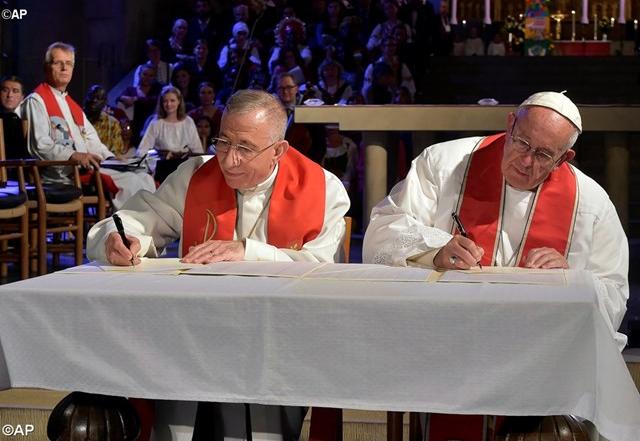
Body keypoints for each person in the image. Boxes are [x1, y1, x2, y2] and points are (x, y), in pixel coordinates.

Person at [86, 89, 350, 441]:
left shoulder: (323, 189)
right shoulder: (197, 175)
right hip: (194, 331)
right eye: (223, 142)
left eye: (244, 148)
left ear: (278, 151)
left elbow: (322, 268)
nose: (228, 160)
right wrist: (118, 240)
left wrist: (248, 252)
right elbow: (137, 219)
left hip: (277, 337)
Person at [362, 91, 629, 440]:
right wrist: (435, 251)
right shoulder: (444, 164)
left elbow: (614, 294)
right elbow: (381, 232)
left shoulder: (591, 203)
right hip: (447, 343)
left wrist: (573, 279)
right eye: (521, 143)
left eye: (544, 154)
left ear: (566, 157)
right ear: (509, 124)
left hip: (541, 355)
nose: (526, 161)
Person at [21, 42, 156, 209]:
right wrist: (75, 155)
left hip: (82, 168)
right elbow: (40, 145)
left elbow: (93, 142)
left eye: (69, 63)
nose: (64, 68)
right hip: (62, 173)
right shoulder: (36, 101)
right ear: (46, 67)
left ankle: (145, 229)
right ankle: (126, 230)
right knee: (131, 181)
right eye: (58, 63)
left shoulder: (72, 105)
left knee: (144, 176)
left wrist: (111, 158)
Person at [137, 85, 202, 183]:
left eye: (172, 100)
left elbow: (197, 150)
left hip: (184, 167)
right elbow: (142, 151)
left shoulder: (188, 122)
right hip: (163, 168)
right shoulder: (156, 123)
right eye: (165, 101)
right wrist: (155, 164)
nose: (168, 104)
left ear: (179, 101)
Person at [84, 85, 128, 157]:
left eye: (99, 98)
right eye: (91, 96)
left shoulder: (113, 123)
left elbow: (116, 152)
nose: (94, 100)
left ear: (105, 102)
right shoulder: (75, 118)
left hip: (104, 164)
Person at [0, 75, 27, 159]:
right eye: (5, 90)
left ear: (22, 97)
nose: (10, 95)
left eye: (15, 91)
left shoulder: (27, 120)